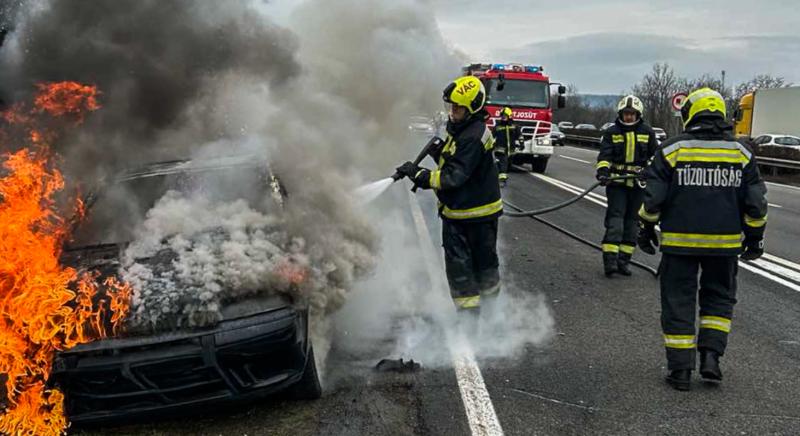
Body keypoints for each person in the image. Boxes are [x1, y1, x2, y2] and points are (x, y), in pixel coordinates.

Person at [637, 87, 768, 391]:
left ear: (690, 113)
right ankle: (711, 359)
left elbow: (653, 199)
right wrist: (755, 238)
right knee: (719, 299)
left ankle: (680, 370)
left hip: (679, 245)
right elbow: (756, 203)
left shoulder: (673, 150)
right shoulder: (741, 152)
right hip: (724, 246)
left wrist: (645, 228)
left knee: (678, 301)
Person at [396, 75, 502, 311]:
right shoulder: (466, 130)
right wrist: (439, 151)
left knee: (463, 272)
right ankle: (489, 317)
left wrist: (421, 176)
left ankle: (471, 324)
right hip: (470, 214)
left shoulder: (473, 136)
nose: (452, 112)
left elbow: (453, 177)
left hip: (468, 216)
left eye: (458, 108)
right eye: (451, 107)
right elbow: (456, 160)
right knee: (482, 267)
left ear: (472, 107)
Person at [595, 95, 659, 276]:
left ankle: (624, 262)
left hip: (638, 185)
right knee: (616, 222)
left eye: (632, 113)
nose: (629, 117)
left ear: (638, 114)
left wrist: (648, 170)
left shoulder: (647, 132)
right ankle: (610, 262)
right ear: (620, 114)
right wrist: (603, 172)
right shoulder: (612, 132)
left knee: (632, 224)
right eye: (626, 113)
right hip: (617, 184)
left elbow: (656, 157)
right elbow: (604, 156)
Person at [493, 107, 519, 187]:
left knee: (508, 164)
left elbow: (519, 135)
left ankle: (500, 172)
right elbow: (492, 136)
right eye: (502, 116)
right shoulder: (498, 126)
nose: (503, 118)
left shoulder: (514, 126)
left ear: (509, 116)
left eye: (504, 116)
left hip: (511, 149)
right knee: (503, 163)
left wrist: (521, 143)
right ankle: (502, 180)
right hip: (500, 148)